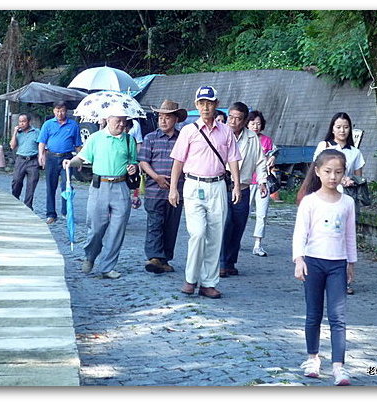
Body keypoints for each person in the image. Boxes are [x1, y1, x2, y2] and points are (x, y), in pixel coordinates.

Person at [169, 86, 242, 299]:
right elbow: (178, 161)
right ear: (196, 105)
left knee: (215, 235)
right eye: (202, 103)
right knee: (198, 233)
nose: (206, 107)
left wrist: (236, 185)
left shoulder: (226, 131)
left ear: (217, 104)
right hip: (193, 185)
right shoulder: (188, 131)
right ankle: (190, 279)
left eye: (209, 103)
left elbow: (233, 159)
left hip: (218, 185)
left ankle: (208, 282)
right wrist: (174, 188)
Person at [293, 149, 356, 386]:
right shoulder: (309, 202)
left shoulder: (347, 203)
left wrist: (351, 262)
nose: (333, 177)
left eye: (338, 172)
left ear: (343, 174)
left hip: (338, 264)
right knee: (313, 314)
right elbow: (300, 233)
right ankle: (312, 358)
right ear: (318, 171)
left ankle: (339, 366)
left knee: (338, 316)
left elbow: (350, 236)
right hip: (313, 263)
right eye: (328, 171)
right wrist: (299, 259)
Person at [62, 105, 138, 280]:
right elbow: (82, 157)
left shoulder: (129, 140)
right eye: (118, 121)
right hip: (99, 186)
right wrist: (70, 162)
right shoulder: (96, 138)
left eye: (124, 121)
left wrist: (133, 167)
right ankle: (90, 256)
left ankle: (107, 267)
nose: (121, 124)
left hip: (121, 186)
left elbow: (134, 162)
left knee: (118, 229)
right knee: (96, 227)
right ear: (108, 119)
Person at [312, 112, 365, 294]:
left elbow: (360, 178)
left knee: (345, 236)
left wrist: (351, 180)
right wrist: (337, 180)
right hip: (324, 199)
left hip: (345, 200)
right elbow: (316, 172)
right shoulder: (324, 147)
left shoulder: (355, 152)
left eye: (346, 127)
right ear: (332, 128)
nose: (342, 130)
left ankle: (345, 278)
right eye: (338, 126)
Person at [138, 100, 188, 274]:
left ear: (176, 119)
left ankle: (164, 259)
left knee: (171, 225)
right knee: (155, 223)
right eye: (160, 117)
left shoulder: (183, 138)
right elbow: (143, 161)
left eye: (167, 117)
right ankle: (153, 257)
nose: (163, 120)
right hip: (154, 190)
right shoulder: (150, 138)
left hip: (177, 190)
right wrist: (156, 177)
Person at [220, 102, 267, 277]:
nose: (232, 121)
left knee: (239, 224)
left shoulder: (252, 138)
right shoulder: (221, 133)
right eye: (230, 117)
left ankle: (230, 261)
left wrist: (262, 181)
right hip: (224, 184)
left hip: (245, 187)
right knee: (226, 222)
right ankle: (221, 262)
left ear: (245, 120)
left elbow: (260, 161)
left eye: (237, 118)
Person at [37, 101, 82, 224]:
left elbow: (78, 144)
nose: (59, 113)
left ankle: (66, 212)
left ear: (66, 111)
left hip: (67, 159)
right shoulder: (48, 124)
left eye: (62, 111)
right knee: (50, 187)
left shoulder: (73, 125)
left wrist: (79, 160)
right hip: (51, 157)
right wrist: (41, 155)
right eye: (57, 111)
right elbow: (42, 141)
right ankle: (51, 214)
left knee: (66, 185)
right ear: (53, 111)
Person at [247, 110, 277, 257]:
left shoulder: (267, 141)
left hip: (262, 182)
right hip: (245, 182)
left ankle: (258, 244)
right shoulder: (243, 139)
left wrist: (272, 159)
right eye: (253, 123)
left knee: (262, 214)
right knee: (242, 213)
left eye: (258, 124)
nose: (256, 126)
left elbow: (272, 156)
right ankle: (235, 240)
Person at [9, 113, 40, 210]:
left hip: (33, 160)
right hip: (21, 160)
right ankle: (15, 199)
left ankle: (28, 205)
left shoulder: (36, 132)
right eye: (20, 122)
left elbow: (41, 145)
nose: (21, 124)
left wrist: (41, 158)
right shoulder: (18, 133)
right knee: (16, 181)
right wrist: (14, 133)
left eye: (24, 121)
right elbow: (12, 146)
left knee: (31, 184)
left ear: (29, 122)